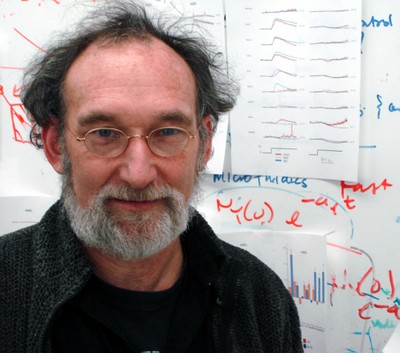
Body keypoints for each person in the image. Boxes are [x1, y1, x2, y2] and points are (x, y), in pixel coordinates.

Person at [0, 1, 303, 352]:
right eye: (104, 133)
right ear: (56, 146)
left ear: (203, 145)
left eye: (168, 132)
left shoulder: (259, 295)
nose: (139, 174)